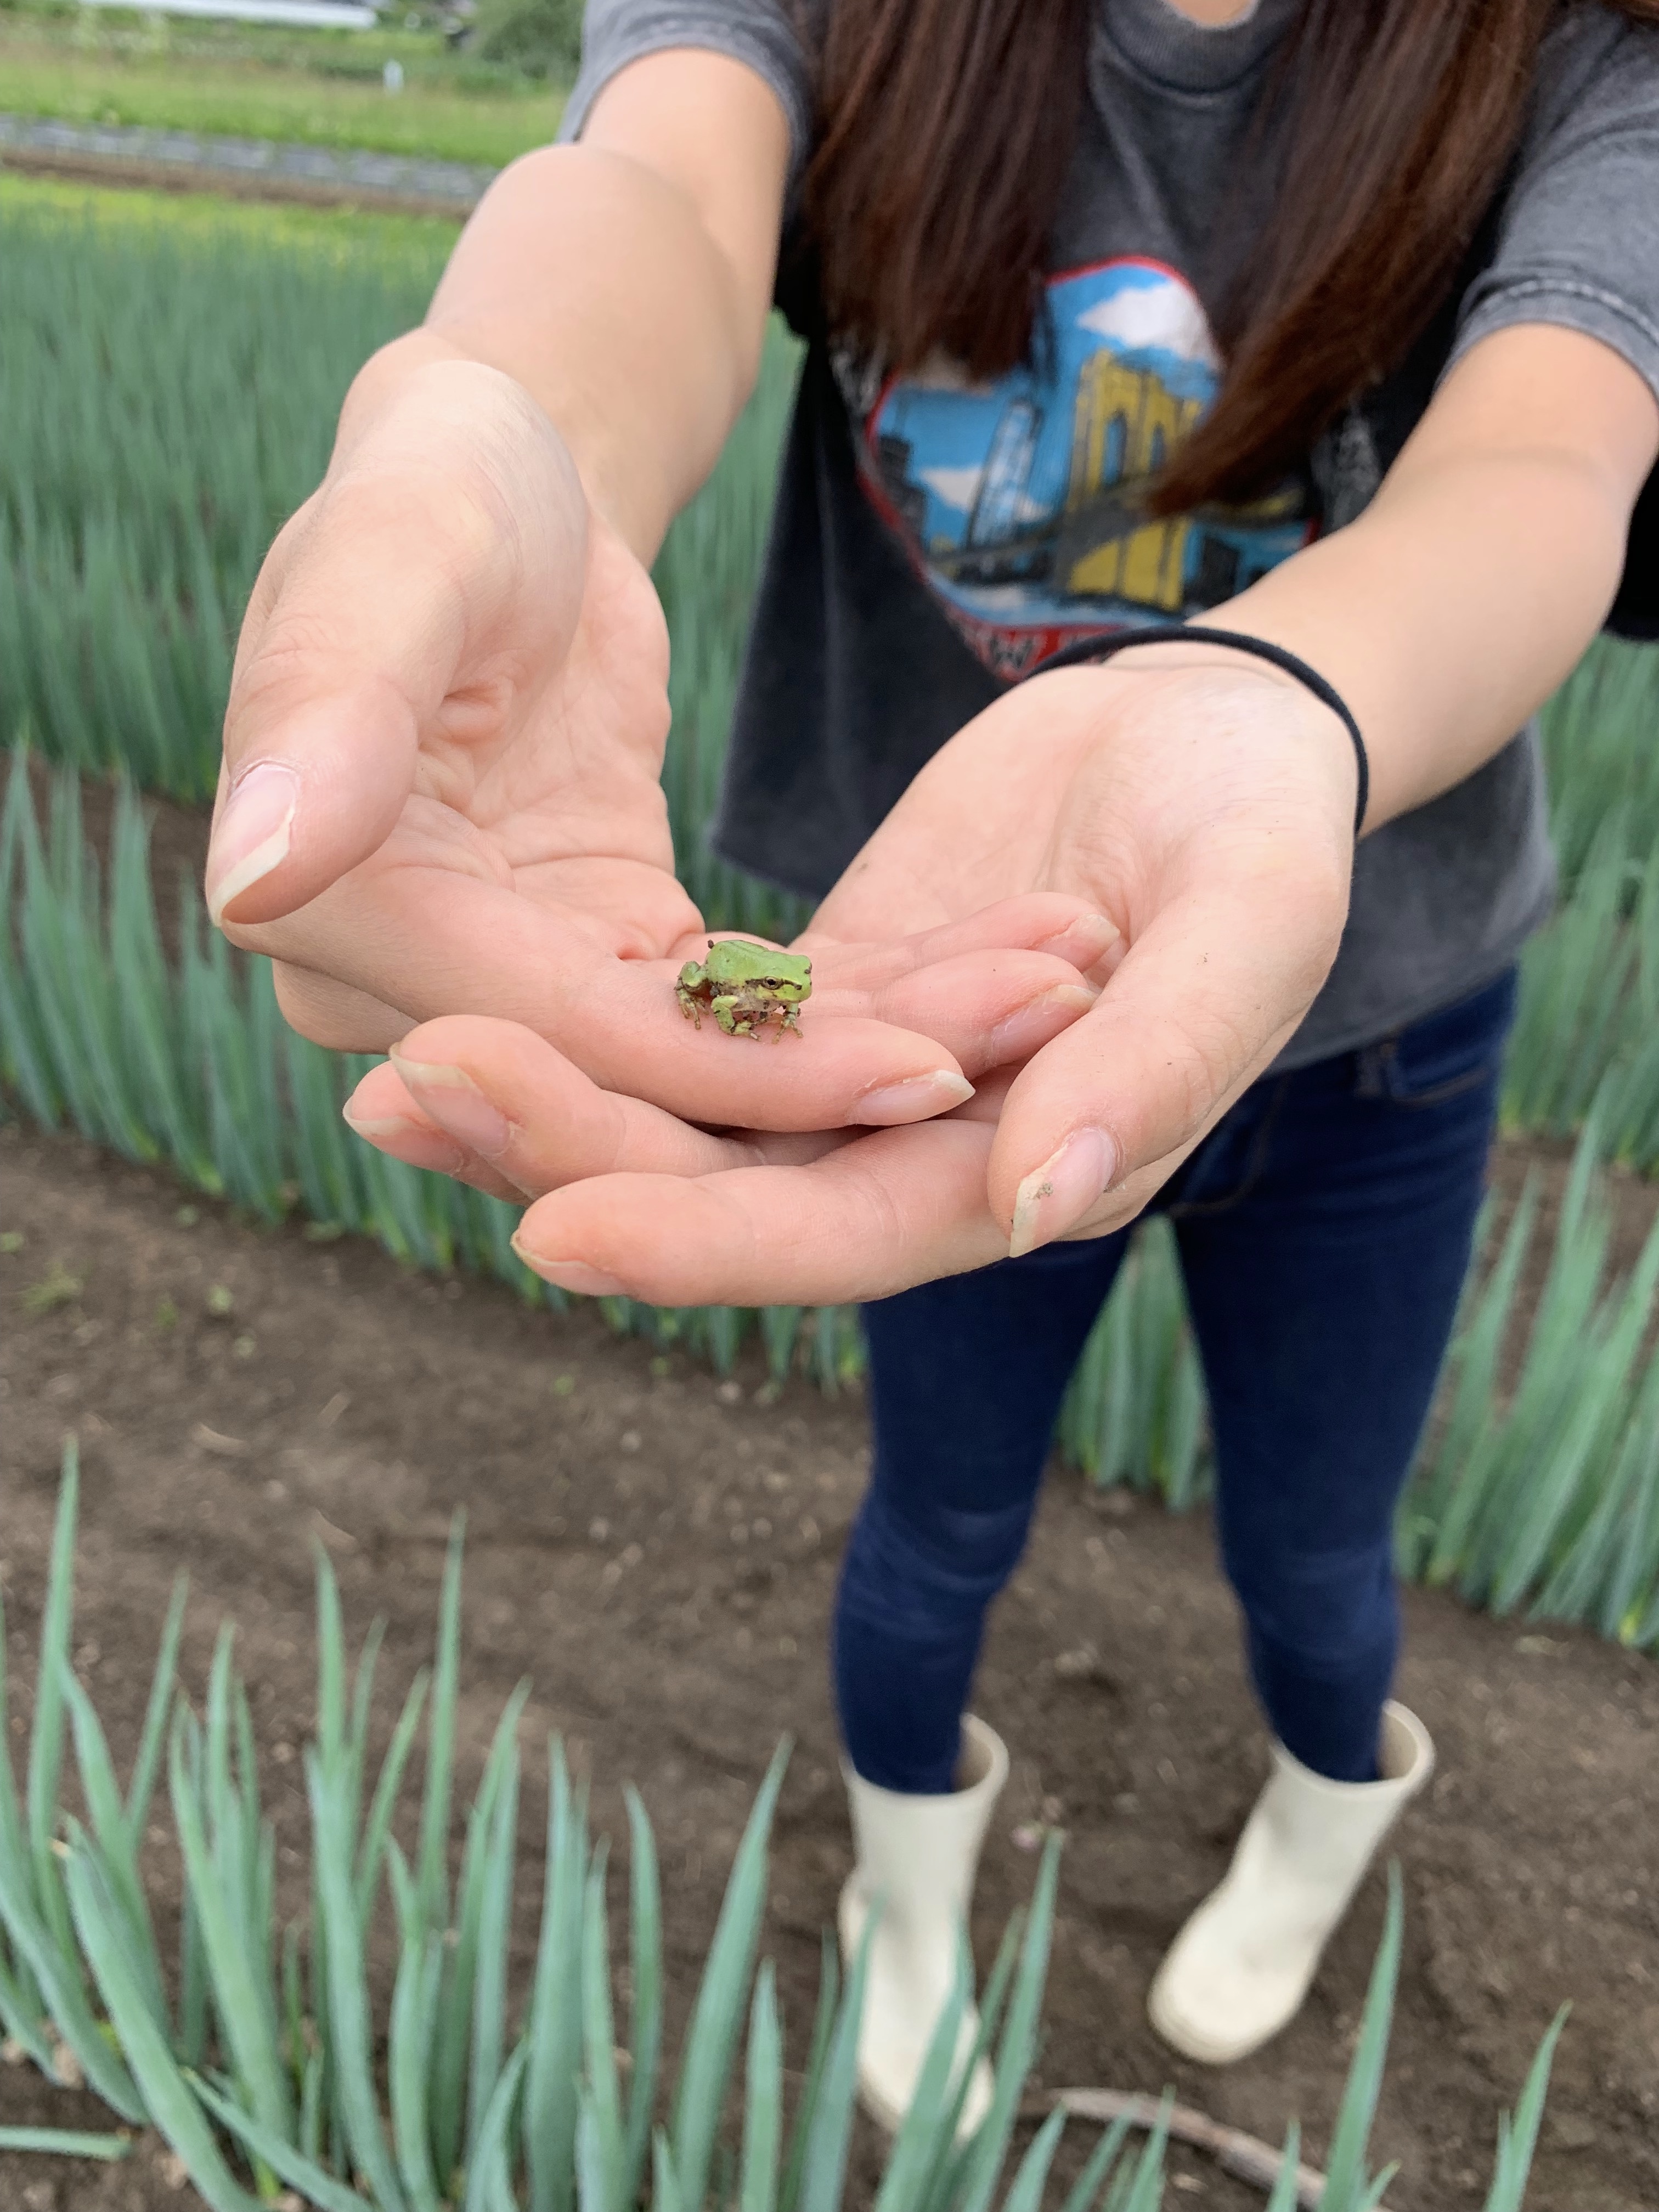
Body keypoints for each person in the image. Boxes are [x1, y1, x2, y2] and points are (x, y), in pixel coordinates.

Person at [207, 0, 1659, 2129]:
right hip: (922, 1022)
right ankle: (907, 1910)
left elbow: (1551, 447)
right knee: (940, 1518)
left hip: (1380, 1030)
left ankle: (1314, 1835)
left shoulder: (1578, 52)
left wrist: (1287, 702)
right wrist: (498, 420)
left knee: (1323, 1564)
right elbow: (660, 206)